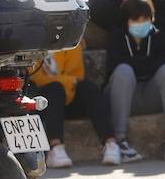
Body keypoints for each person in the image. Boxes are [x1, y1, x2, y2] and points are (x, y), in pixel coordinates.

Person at [105, 0, 165, 163]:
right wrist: (146, 63)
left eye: (145, 19)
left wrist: (139, 63)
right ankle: (120, 141)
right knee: (123, 71)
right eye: (136, 20)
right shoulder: (116, 37)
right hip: (125, 97)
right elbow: (114, 66)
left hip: (151, 95)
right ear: (126, 21)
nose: (141, 24)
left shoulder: (158, 36)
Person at [30, 41, 117, 169]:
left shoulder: (70, 42)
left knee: (88, 88)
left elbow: (77, 76)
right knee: (54, 89)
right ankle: (55, 147)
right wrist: (66, 80)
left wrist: (63, 80)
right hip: (40, 101)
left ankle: (110, 143)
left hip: (67, 98)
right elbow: (36, 78)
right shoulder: (31, 42)